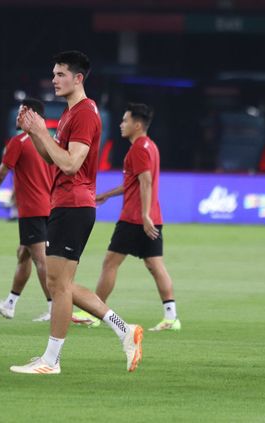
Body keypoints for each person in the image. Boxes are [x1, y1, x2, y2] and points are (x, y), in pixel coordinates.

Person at [10, 50, 143, 374]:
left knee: (58, 285)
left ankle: (51, 361)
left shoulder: (84, 114)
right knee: (63, 284)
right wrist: (33, 131)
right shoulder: (71, 113)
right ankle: (125, 331)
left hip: (73, 204)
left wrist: (41, 131)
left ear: (78, 78)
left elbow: (71, 163)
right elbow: (52, 158)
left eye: (60, 74)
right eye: (53, 74)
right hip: (66, 204)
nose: (54, 80)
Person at [72, 103, 180, 332]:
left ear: (137, 124)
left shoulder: (138, 149)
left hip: (134, 219)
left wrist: (143, 215)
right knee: (155, 264)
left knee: (110, 263)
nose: (121, 124)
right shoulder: (151, 146)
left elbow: (146, 181)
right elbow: (133, 183)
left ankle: (94, 312)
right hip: (151, 217)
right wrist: (106, 195)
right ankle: (171, 317)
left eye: (125, 120)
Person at [0, 98, 53, 322]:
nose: (17, 116)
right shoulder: (52, 141)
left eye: (21, 112)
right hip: (48, 207)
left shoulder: (19, 142)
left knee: (40, 260)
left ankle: (54, 308)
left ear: (30, 114)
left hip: (32, 209)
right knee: (23, 254)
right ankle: (10, 303)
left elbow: (0, 174)